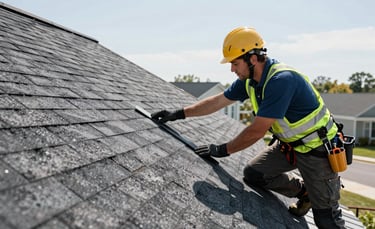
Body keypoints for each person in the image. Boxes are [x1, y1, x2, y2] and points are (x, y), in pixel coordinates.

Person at [151, 26, 345, 228]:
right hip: (291, 147)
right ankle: (305, 192)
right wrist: (179, 113)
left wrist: (222, 150)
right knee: (254, 174)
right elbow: (217, 101)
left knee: (326, 220)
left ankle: (319, 197)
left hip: (318, 151)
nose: (232, 69)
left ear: (252, 59)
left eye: (235, 63)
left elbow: (256, 131)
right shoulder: (250, 81)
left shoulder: (281, 80)